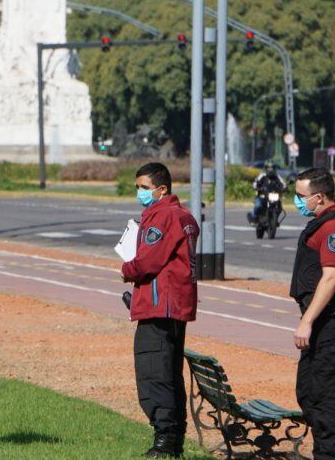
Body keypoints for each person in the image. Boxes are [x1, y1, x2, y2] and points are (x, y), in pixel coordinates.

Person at [121, 162, 199, 458]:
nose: (139, 192)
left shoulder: (162, 216)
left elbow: (148, 262)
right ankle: (173, 440)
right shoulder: (184, 215)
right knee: (170, 374)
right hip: (176, 305)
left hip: (159, 305)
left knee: (154, 372)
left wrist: (126, 269)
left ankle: (165, 442)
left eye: (143, 187)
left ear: (161, 189)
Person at [290, 168, 335, 459]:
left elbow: (331, 277)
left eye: (301, 196)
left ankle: (329, 454)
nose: (296, 201)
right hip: (318, 319)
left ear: (318, 197)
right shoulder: (321, 222)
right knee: (307, 389)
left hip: (329, 319)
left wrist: (307, 321)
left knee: (324, 389)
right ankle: (322, 449)